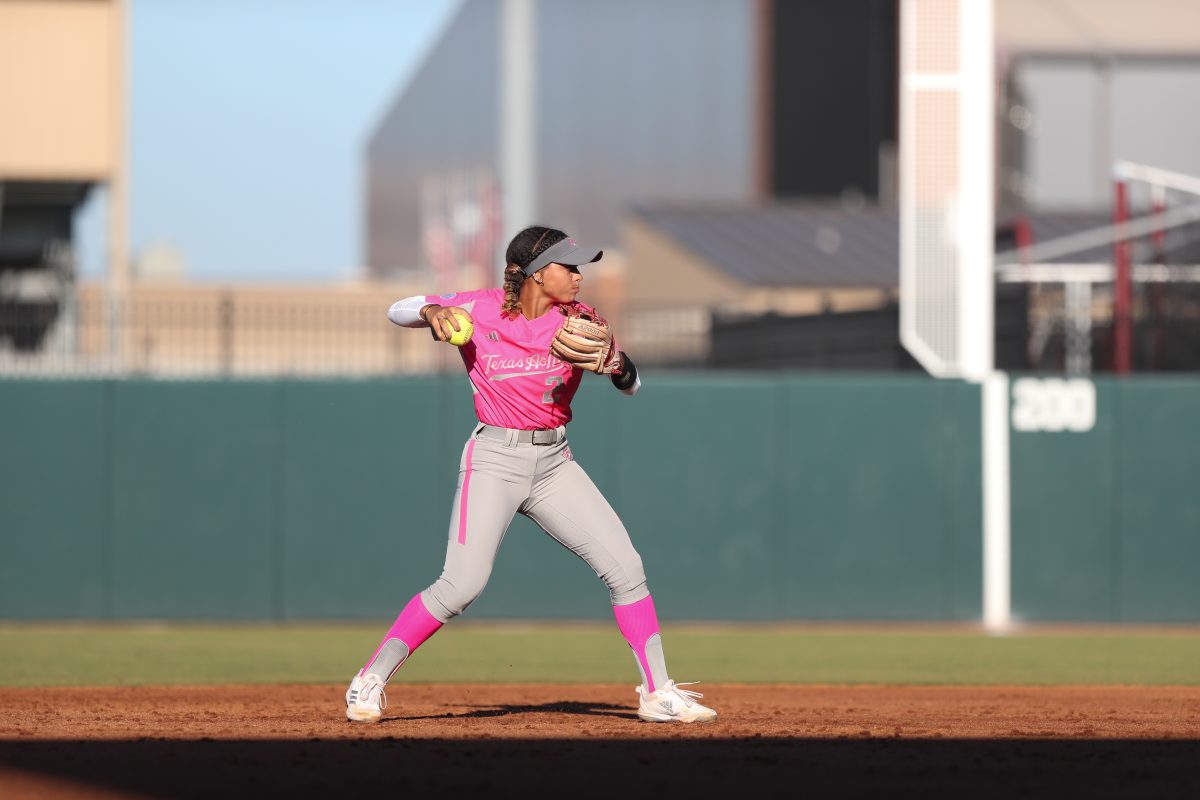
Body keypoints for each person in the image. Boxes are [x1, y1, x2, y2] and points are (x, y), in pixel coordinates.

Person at [344, 225, 716, 725]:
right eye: (570, 267)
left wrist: (620, 366)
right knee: (460, 585)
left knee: (626, 568)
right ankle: (369, 679)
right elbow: (399, 307)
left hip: (553, 464)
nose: (580, 276)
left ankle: (658, 692)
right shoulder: (479, 308)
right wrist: (433, 311)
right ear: (539, 275)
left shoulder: (582, 320)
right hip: (495, 458)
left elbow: (631, 385)